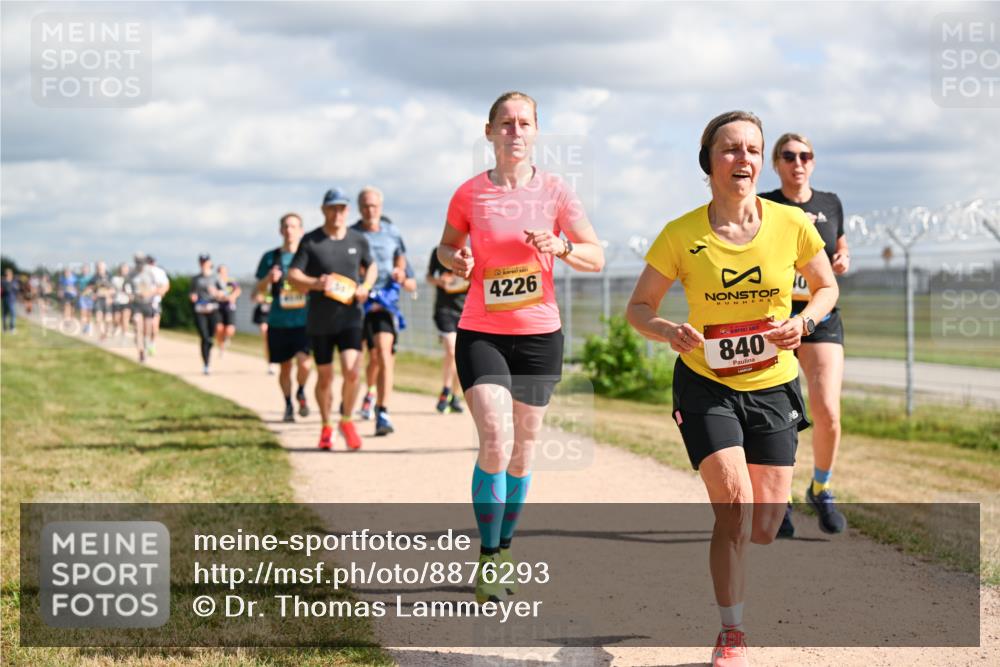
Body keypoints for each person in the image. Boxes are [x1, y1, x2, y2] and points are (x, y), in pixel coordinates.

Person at [626, 110, 838, 667]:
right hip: (705, 384)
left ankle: (758, 535)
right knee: (733, 507)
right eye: (729, 149)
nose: (741, 159)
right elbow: (638, 308)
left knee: (765, 526)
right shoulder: (680, 233)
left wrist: (806, 323)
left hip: (774, 386)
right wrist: (669, 329)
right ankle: (732, 632)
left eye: (751, 149)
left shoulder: (792, 225)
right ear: (709, 160)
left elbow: (826, 287)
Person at [436, 91, 604, 604]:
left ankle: (505, 546)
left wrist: (563, 247)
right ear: (489, 132)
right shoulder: (469, 194)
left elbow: (595, 255)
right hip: (482, 330)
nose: (514, 131)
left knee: (525, 448)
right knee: (494, 436)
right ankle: (488, 557)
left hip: (538, 334)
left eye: (524, 123)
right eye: (505, 123)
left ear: (535, 132)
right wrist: (455, 260)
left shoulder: (556, 192)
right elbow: (445, 247)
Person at [760, 133, 850, 537]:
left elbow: (839, 247)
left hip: (821, 318)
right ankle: (781, 499)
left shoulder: (830, 204)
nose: (798, 162)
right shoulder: (765, 205)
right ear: (776, 163)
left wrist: (844, 257)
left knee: (827, 409)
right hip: (773, 320)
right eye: (789, 156)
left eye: (806, 155)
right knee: (779, 415)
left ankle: (822, 488)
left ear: (813, 162)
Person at [288, 188, 376, 451]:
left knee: (352, 371)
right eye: (332, 208)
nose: (337, 213)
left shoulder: (358, 240)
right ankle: (327, 425)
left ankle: (347, 420)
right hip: (320, 320)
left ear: (347, 211)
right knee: (325, 378)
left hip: (351, 317)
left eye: (342, 208)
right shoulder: (311, 241)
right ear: (324, 210)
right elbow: (293, 275)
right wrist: (317, 283)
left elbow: (371, 266)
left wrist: (366, 286)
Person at [351, 186, 416, 435]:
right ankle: (368, 392)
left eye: (374, 206)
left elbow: (405, 268)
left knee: (383, 351)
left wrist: (401, 275)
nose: (370, 210)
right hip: (358, 302)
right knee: (365, 358)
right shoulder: (352, 234)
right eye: (366, 206)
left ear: (381, 207)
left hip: (386, 304)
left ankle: (383, 411)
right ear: (359, 208)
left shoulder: (392, 233)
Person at [255, 213, 313, 423]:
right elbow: (257, 291)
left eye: (294, 226)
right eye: (286, 227)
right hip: (279, 321)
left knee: (305, 364)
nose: (290, 231)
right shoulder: (270, 258)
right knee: (285, 367)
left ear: (301, 231)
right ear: (280, 231)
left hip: (304, 321)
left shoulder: (309, 256)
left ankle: (301, 390)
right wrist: (268, 280)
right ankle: (288, 404)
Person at [426, 247, 468, 413]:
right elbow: (429, 277)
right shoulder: (439, 251)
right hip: (444, 309)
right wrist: (439, 281)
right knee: (452, 350)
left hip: (466, 310)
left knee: (461, 355)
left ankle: (455, 396)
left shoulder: (472, 251)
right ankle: (445, 390)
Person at [190, 254, 224, 375]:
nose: (203, 264)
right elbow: (192, 292)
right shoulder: (196, 279)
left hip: (213, 309)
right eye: (201, 262)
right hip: (200, 310)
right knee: (204, 337)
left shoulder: (216, 277)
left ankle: (210, 346)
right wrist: (193, 297)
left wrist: (215, 292)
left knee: (210, 337)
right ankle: (206, 364)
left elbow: (224, 293)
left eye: (205, 262)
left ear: (210, 263)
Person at [129, 254, 159, 363]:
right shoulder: (131, 273)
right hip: (136, 304)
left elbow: (157, 287)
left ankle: (146, 347)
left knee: (147, 330)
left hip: (147, 303)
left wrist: (149, 293)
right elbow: (126, 286)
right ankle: (140, 352)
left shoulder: (150, 272)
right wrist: (130, 294)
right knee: (137, 326)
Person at [145, 256, 171, 356]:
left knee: (154, 326)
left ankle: (152, 343)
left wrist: (161, 291)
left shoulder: (159, 272)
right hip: (143, 303)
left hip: (155, 302)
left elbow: (166, 285)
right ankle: (144, 341)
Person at [214, 264, 241, 356]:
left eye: (223, 271)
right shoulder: (216, 282)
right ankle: (221, 348)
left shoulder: (231, 281)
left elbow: (238, 290)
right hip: (218, 307)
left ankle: (226, 338)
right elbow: (212, 292)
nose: (222, 273)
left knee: (230, 330)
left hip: (229, 308)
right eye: (220, 271)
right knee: (219, 328)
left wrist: (233, 296)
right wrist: (217, 295)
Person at [251, 290, 273, 374]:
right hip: (263, 315)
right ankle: (270, 364)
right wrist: (259, 297)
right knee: (267, 338)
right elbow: (253, 297)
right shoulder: (263, 282)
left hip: (275, 313)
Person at [110, 262, 134, 338]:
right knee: (116, 319)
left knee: (125, 318)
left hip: (127, 301)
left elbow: (133, 291)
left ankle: (124, 333)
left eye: (126, 269)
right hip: (117, 301)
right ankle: (117, 327)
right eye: (123, 269)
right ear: (120, 270)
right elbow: (112, 289)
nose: (124, 271)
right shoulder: (115, 279)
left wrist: (131, 297)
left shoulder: (130, 280)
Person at [91, 261, 113, 340]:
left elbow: (113, 289)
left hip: (107, 300)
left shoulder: (110, 276)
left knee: (108, 319)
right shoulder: (94, 277)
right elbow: (91, 288)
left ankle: (106, 332)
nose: (99, 269)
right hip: (98, 300)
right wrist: (93, 294)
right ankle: (102, 333)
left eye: (101, 268)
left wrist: (109, 296)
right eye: (98, 268)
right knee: (98, 318)